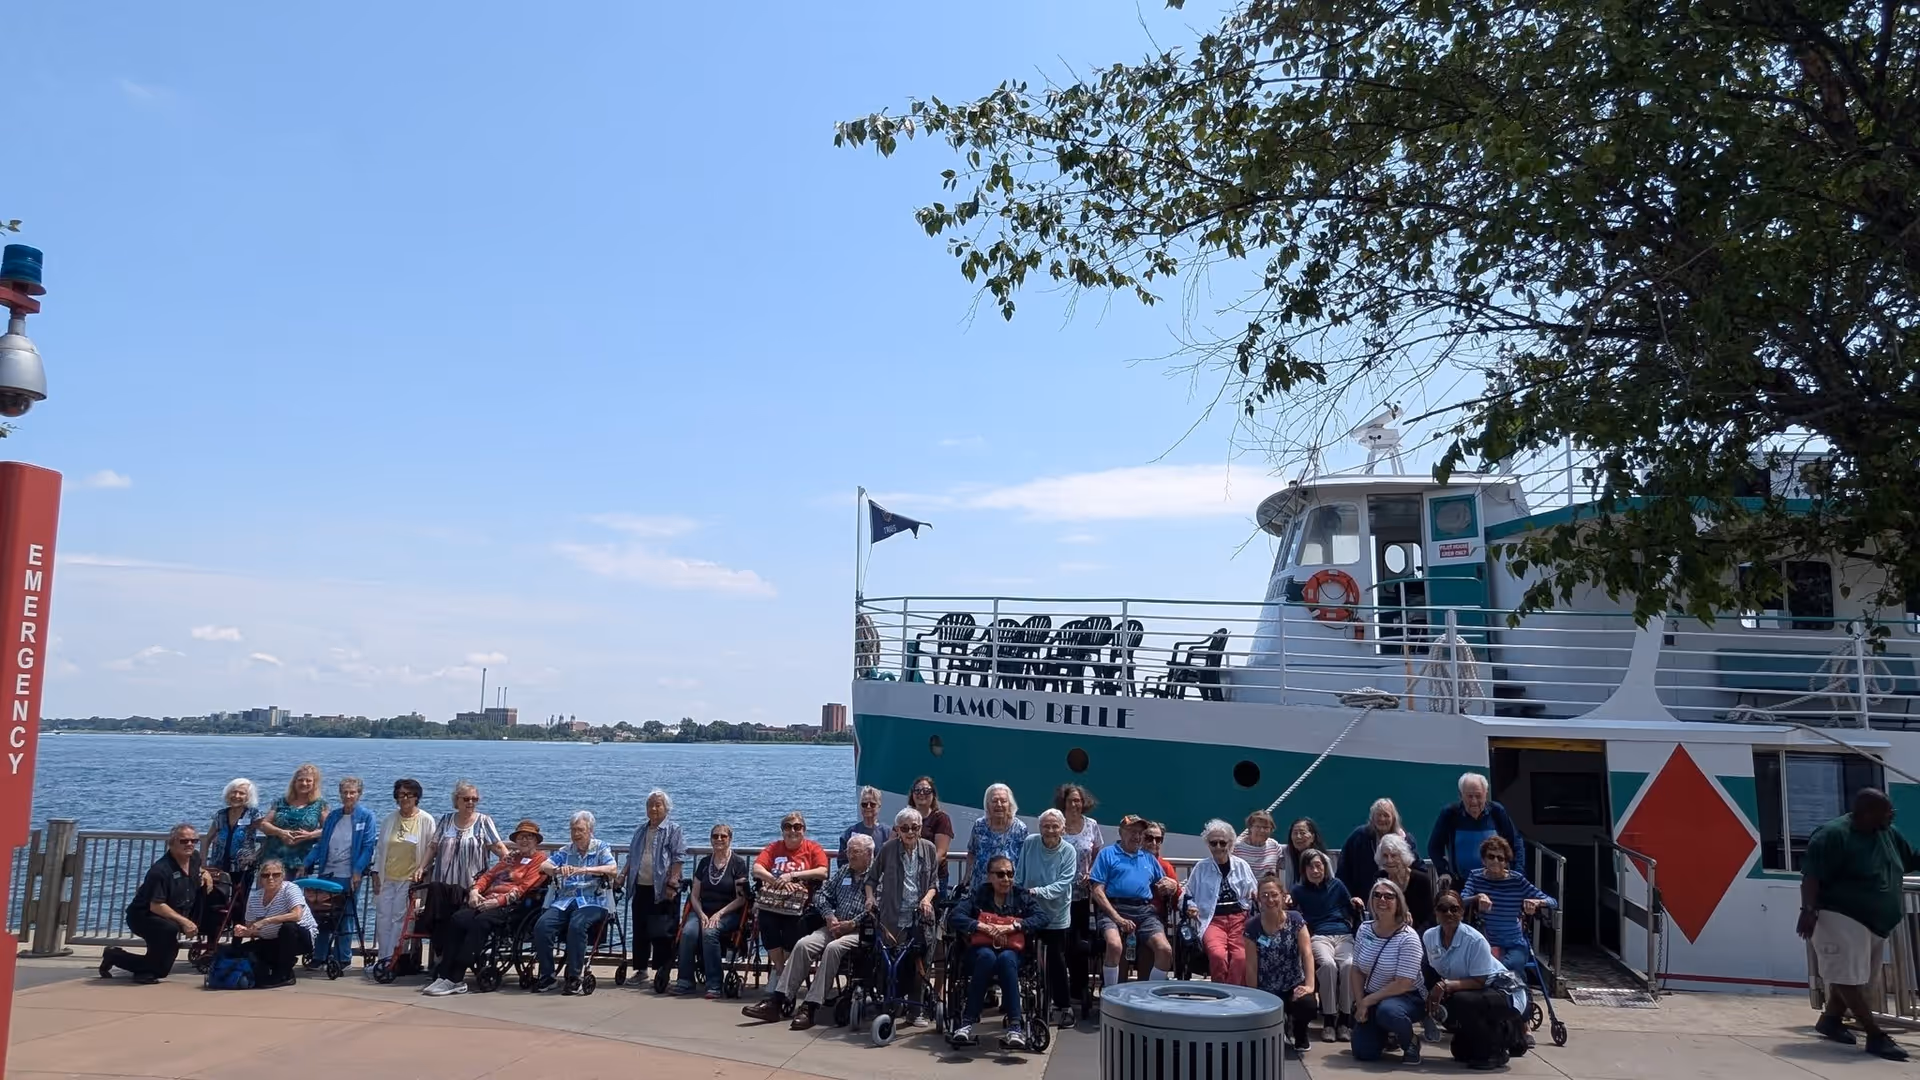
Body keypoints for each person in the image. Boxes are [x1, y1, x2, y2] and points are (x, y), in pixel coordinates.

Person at [1799, 788, 1919, 1062]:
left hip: (1875, 921)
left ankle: (1830, 1020)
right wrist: (1808, 910)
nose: (1892, 815)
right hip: (1839, 913)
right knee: (1846, 978)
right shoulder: (1833, 835)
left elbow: (1911, 861)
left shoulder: (1887, 833)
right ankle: (1875, 1035)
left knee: (1859, 977)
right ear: (1866, 812)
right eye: (1887, 811)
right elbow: (1811, 876)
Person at [758, 833, 875, 1029]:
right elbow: (822, 895)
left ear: (869, 854)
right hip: (834, 924)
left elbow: (876, 907)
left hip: (859, 930)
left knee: (833, 949)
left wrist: (852, 924)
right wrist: (829, 916)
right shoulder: (844, 871)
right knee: (804, 944)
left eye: (855, 852)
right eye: (848, 851)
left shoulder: (877, 875)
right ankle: (778, 1000)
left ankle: (810, 1007)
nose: (850, 856)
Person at [422, 819, 550, 996]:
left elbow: (524, 888)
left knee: (480, 922)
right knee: (458, 919)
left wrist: (498, 902)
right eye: (521, 837)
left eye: (529, 837)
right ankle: (444, 974)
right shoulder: (511, 858)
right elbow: (488, 876)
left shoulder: (539, 860)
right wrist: (475, 891)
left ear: (536, 841)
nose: (524, 840)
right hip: (487, 899)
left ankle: (456, 977)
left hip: (511, 906)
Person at [947, 853, 1048, 1051]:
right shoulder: (980, 894)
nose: (1006, 879)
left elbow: (1042, 918)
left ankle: (1015, 1027)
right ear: (990, 876)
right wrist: (980, 926)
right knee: (986, 956)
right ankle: (967, 1022)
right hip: (981, 951)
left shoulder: (1020, 895)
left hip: (1013, 952)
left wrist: (1015, 926)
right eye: (1000, 874)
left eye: (1010, 874)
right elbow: (955, 916)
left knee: (1006, 958)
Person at [1424, 889, 1527, 1070]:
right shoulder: (1429, 936)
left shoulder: (1475, 940)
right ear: (1435, 912)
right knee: (1460, 1053)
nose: (1448, 913)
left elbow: (1479, 981)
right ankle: (1484, 1036)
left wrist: (1444, 985)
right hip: (1472, 991)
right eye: (1443, 908)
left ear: (1462, 912)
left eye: (1454, 909)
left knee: (1459, 1001)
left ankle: (1500, 1045)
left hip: (1503, 991)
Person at [100, 823, 214, 983]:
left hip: (169, 916)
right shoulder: (160, 870)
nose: (189, 844)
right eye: (183, 841)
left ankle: (135, 966)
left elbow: (197, 870)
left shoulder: (194, 857)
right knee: (165, 943)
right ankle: (117, 957)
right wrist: (185, 922)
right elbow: (156, 905)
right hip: (144, 917)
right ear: (172, 843)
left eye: (193, 841)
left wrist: (204, 873)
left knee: (158, 967)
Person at [864, 806, 941, 1023]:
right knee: (891, 962)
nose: (909, 832)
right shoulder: (888, 849)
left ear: (920, 828)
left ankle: (916, 1011)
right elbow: (871, 879)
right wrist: (870, 898)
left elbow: (934, 883)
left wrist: (926, 899)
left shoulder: (929, 849)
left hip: (920, 917)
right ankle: (892, 1005)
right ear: (898, 829)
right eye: (905, 828)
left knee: (920, 963)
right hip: (892, 917)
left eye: (914, 827)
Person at [747, 810, 830, 1007]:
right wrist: (777, 881)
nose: (793, 831)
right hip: (775, 901)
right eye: (788, 827)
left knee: (796, 926)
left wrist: (793, 876)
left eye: (797, 827)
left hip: (801, 904)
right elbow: (757, 868)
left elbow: (823, 871)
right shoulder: (774, 847)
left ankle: (783, 976)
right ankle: (780, 972)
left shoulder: (812, 848)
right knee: (766, 920)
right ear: (782, 831)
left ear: (804, 830)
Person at [534, 810, 617, 994]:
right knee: (542, 926)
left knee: (577, 925)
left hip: (593, 900)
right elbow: (544, 866)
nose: (576, 834)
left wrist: (585, 869)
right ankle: (547, 976)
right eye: (573, 830)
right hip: (565, 899)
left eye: (580, 830)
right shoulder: (565, 851)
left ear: (590, 830)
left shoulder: (601, 847)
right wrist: (557, 870)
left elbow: (612, 868)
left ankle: (574, 976)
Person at [1349, 878, 1426, 1064]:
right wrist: (1360, 1002)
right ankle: (1386, 1036)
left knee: (1388, 1012)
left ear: (1398, 902)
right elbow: (1357, 969)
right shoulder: (1364, 929)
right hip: (1373, 995)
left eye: (1388, 896)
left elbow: (1403, 983)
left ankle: (1411, 1042)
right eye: (1377, 895)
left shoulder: (1409, 938)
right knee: (1363, 1053)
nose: (1382, 900)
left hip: (1406, 997)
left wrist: (1368, 1000)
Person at [1090, 814, 1174, 985]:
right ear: (1121, 832)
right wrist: (1118, 919)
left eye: (1139, 832)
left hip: (1144, 912)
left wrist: (1172, 884)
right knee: (1114, 945)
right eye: (1131, 831)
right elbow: (1097, 891)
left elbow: (1165, 882)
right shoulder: (1107, 854)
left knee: (1165, 950)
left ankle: (1150, 996)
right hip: (1114, 909)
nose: (1136, 836)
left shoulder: (1148, 858)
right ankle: (1110, 996)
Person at [304, 775, 376, 972]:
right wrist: (307, 862)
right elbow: (321, 844)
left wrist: (357, 871)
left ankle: (343, 957)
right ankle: (319, 955)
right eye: (345, 792)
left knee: (345, 916)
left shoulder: (366, 817)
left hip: (349, 874)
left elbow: (368, 847)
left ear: (359, 794)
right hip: (327, 872)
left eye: (352, 792)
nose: (348, 796)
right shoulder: (333, 816)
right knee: (322, 914)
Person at [1243, 875, 1320, 1052]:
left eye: (1274, 894)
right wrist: (1254, 996)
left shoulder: (1296, 920)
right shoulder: (1251, 927)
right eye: (1265, 895)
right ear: (1258, 898)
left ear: (1282, 896)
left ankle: (1300, 1032)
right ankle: (1280, 1024)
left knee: (1307, 1005)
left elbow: (1307, 953)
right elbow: (1251, 966)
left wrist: (1309, 986)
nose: (1270, 899)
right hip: (1267, 987)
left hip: (1293, 983)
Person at [672, 821, 749, 999]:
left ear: (730, 839)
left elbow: (741, 898)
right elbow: (694, 895)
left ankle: (714, 983)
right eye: (715, 836)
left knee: (710, 932)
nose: (719, 839)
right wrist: (701, 914)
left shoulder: (737, 864)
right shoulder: (705, 863)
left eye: (723, 836)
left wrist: (718, 914)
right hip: (702, 910)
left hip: (729, 912)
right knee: (688, 932)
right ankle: (685, 980)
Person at [368, 778, 436, 975]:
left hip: (409, 880)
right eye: (401, 794)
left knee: (400, 921)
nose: (405, 798)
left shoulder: (426, 820)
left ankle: (394, 960)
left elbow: (431, 849)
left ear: (417, 797)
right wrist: (375, 873)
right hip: (387, 877)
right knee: (382, 918)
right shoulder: (390, 819)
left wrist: (422, 871)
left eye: (409, 795)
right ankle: (382, 959)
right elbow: (380, 850)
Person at [1460, 835, 1554, 975]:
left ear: (1506, 862)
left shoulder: (1517, 880)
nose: (1495, 861)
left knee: (1507, 967)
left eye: (1500, 858)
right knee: (1483, 968)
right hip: (1485, 942)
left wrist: (1537, 902)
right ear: (1483, 860)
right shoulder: (1475, 876)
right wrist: (1477, 897)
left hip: (1514, 943)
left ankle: (1519, 993)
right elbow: (1461, 900)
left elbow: (1552, 901)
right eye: (1491, 857)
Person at [622, 789, 688, 990]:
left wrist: (672, 883)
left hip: (663, 889)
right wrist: (622, 875)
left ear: (666, 808)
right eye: (650, 805)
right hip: (641, 886)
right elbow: (632, 857)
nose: (653, 808)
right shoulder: (641, 830)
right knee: (640, 929)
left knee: (662, 931)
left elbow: (678, 858)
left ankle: (662, 971)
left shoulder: (673, 829)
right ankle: (641, 970)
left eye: (658, 805)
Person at [1018, 808, 1077, 1026]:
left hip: (1056, 913)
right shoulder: (1030, 843)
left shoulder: (1068, 851)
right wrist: (1018, 894)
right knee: (1024, 959)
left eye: (1055, 826)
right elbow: (1020, 873)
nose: (1050, 830)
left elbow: (1063, 884)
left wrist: (1037, 891)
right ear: (1039, 827)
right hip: (1031, 911)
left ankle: (1063, 1005)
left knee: (1057, 961)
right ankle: (1026, 1001)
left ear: (1063, 828)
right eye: (1046, 826)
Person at [1181, 819, 1257, 986]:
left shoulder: (1242, 866)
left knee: (1240, 957)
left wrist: (1258, 897)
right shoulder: (1201, 867)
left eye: (1222, 843)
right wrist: (1191, 907)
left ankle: (1233, 994)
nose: (1217, 847)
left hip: (1239, 919)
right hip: (1212, 920)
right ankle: (1221, 995)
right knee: (1217, 955)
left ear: (1229, 843)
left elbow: (1254, 892)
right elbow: (1186, 894)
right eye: (1213, 843)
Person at [1291, 848, 1356, 1042]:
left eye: (1318, 865)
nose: (1315, 870)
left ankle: (1345, 1019)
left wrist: (1356, 901)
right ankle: (1329, 1019)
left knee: (1348, 966)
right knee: (1327, 965)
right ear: (1304, 871)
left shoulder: (1337, 885)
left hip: (1344, 935)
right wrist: (1287, 901)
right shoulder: (1298, 890)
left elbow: (1350, 906)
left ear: (1325, 867)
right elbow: (1290, 911)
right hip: (1319, 935)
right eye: (1310, 867)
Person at [1426, 773, 1526, 888]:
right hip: (1461, 884)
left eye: (1478, 796)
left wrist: (1518, 873)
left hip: (1496, 884)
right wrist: (1443, 871)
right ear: (1460, 795)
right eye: (1469, 796)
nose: (1474, 801)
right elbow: (1434, 847)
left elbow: (1516, 843)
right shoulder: (1450, 814)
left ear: (1486, 794)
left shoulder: (1497, 812)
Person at [232, 858, 319, 988]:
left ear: (282, 876)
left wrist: (267, 920)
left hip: (300, 938)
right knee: (242, 951)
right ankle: (273, 966)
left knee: (288, 927)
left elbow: (297, 915)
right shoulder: (255, 897)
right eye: (266, 875)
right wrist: (244, 931)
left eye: (276, 875)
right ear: (261, 878)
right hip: (272, 939)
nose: (270, 878)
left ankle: (285, 974)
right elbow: (251, 926)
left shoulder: (290, 889)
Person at [1055, 784, 1102, 1015]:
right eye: (1072, 800)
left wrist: (1091, 873)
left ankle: (1079, 989)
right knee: (1059, 943)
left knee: (1079, 944)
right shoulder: (1057, 823)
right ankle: (1058, 990)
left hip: (1081, 895)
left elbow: (1097, 854)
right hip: (1057, 895)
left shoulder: (1091, 826)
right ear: (1063, 801)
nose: (1075, 804)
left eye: (1079, 800)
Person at [424, 779, 507, 888]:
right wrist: (421, 867)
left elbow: (499, 848)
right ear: (456, 800)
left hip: (472, 885)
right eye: (466, 799)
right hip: (442, 884)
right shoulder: (446, 820)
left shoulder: (483, 821)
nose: (471, 802)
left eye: (475, 799)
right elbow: (433, 847)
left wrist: (512, 865)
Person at [255, 763, 326, 879]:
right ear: (294, 782)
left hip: (300, 861)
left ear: (314, 784)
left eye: (308, 781)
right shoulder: (281, 802)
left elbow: (329, 829)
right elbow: (264, 824)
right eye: (300, 780)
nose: (304, 783)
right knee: (268, 895)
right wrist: (280, 832)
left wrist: (310, 835)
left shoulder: (319, 805)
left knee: (295, 895)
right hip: (274, 860)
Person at [1337, 798, 1415, 902]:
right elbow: (1343, 868)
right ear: (1372, 818)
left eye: (1386, 815)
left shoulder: (1406, 839)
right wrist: (1348, 898)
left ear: (1394, 818)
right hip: (1364, 899)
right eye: (1378, 815)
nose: (1382, 819)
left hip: (1400, 900)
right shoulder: (1359, 837)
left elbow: (1417, 867)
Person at [206, 778, 262, 898]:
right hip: (218, 867)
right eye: (234, 792)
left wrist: (256, 855)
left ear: (248, 797)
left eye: (241, 793)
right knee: (216, 900)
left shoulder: (253, 814)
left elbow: (270, 836)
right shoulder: (220, 815)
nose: (236, 796)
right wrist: (203, 864)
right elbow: (207, 839)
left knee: (239, 903)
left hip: (242, 868)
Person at [1370, 834, 1438, 933]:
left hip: (1417, 934)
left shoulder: (1421, 880)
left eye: (1393, 855)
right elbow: (1376, 911)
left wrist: (1412, 936)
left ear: (1403, 857)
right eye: (1385, 856)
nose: (1389, 860)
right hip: (1388, 932)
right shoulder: (1380, 878)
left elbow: (1430, 918)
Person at [968, 783, 1028, 886]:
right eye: (994, 801)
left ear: (1010, 804)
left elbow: (1026, 860)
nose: (999, 804)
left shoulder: (1020, 828)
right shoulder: (979, 825)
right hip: (981, 886)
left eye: (1003, 801)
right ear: (987, 804)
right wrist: (967, 876)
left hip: (1008, 885)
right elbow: (972, 852)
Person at [908, 776, 955, 893]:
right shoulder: (905, 817)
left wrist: (923, 871)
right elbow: (892, 841)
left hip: (934, 878)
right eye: (917, 790)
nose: (921, 793)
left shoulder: (941, 818)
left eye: (926, 790)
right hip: (907, 877)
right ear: (912, 794)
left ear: (933, 795)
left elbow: (941, 853)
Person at [838, 785, 892, 863]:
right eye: (864, 804)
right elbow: (842, 861)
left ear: (879, 806)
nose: (868, 807)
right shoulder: (849, 833)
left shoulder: (888, 833)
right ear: (860, 807)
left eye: (872, 804)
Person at [1234, 810, 1284, 883]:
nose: (1262, 830)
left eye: (1266, 827)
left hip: (1267, 892)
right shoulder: (1237, 847)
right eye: (1257, 827)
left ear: (1271, 830)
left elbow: (1277, 872)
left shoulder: (1274, 846)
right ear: (1250, 828)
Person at [1285, 817, 1326, 887]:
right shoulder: (1287, 854)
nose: (1298, 836)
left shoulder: (1323, 859)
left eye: (1302, 833)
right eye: (1295, 833)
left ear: (1312, 837)